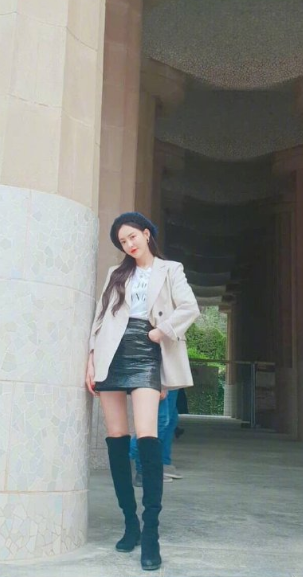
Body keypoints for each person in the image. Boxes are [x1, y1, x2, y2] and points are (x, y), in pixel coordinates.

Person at [86, 212, 199, 571]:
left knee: (147, 436)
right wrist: (91, 359)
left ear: (147, 234)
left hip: (147, 351)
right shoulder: (116, 274)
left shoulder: (170, 269)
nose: (129, 244)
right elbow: (100, 316)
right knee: (116, 439)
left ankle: (151, 532)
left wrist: (159, 332)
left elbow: (189, 307)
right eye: (123, 241)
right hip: (111, 352)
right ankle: (129, 524)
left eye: (132, 236)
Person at [130, 388, 182, 487]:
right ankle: (128, 456)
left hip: (166, 380)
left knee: (169, 419)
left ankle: (158, 464)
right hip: (158, 380)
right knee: (160, 420)